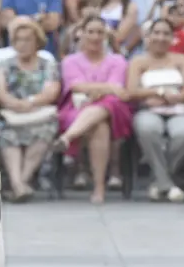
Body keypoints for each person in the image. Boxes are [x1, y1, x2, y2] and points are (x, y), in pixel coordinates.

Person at [55, 16, 133, 203]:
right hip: (78, 108)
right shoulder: (70, 61)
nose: (95, 36)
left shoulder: (118, 60)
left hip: (114, 110)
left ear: (106, 35)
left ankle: (67, 137)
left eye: (100, 32)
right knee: (100, 126)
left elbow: (117, 88)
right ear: (82, 34)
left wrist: (96, 90)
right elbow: (76, 86)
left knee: (105, 108)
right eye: (91, 31)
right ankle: (99, 188)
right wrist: (104, 89)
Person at [126, 19, 184, 202]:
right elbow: (132, 90)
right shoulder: (138, 61)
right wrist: (157, 91)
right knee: (148, 129)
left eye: (166, 33)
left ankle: (158, 182)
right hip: (149, 109)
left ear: (172, 38)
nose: (161, 37)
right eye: (156, 33)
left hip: (178, 108)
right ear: (148, 37)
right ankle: (167, 185)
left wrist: (173, 98)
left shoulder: (182, 60)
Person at [0, 18, 61, 201]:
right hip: (12, 114)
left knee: (45, 130)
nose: (22, 44)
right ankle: (19, 184)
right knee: (6, 132)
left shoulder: (47, 63)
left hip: (38, 114)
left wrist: (29, 103)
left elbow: (52, 91)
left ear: (37, 41)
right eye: (18, 40)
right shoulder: (5, 64)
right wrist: (15, 104)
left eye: (27, 39)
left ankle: (19, 183)